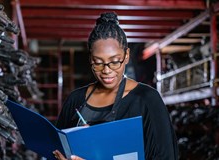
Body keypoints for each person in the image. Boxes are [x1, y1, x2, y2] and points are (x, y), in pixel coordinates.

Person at [53, 12, 179, 160]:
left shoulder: (147, 100)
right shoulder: (75, 100)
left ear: (126, 56)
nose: (106, 70)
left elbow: (166, 157)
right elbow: (57, 148)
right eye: (98, 63)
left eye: (114, 61)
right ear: (90, 59)